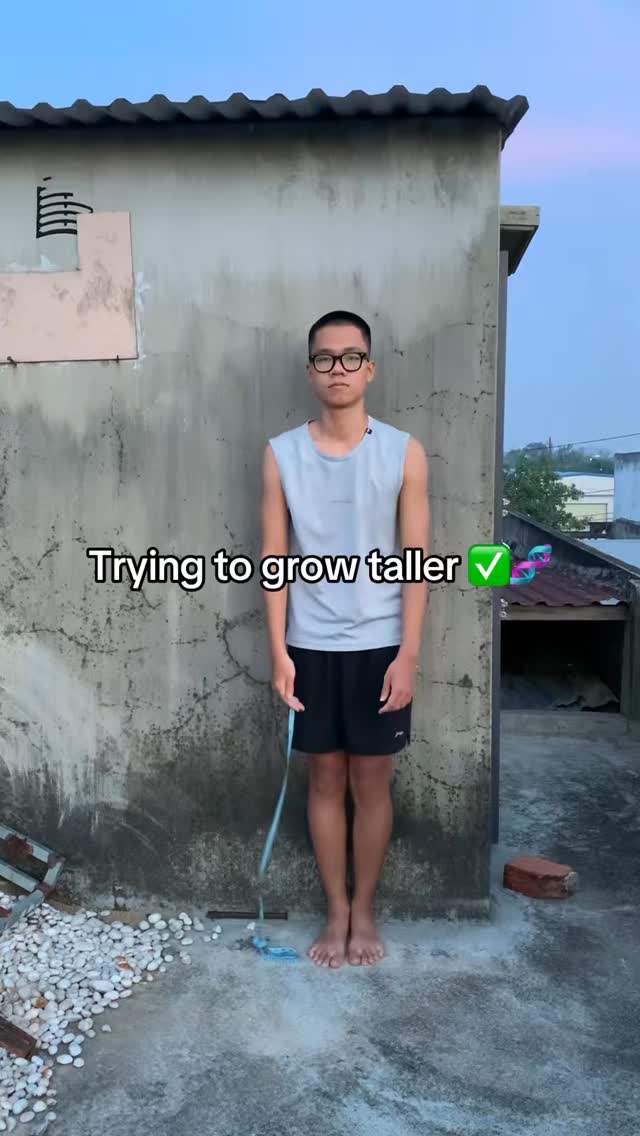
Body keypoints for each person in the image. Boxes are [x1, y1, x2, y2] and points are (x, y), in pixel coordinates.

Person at [260, 311, 430, 968]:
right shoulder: (281, 455)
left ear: (370, 369)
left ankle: (366, 910)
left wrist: (408, 655)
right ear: (311, 371)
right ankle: (335, 910)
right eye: (326, 358)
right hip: (308, 644)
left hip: (381, 643)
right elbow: (274, 557)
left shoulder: (402, 451)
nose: (339, 368)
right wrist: (279, 651)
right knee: (325, 781)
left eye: (350, 357)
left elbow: (418, 558)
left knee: (373, 783)